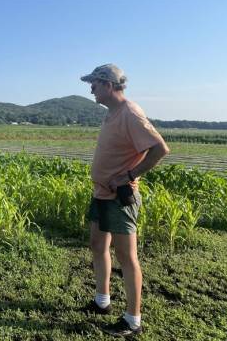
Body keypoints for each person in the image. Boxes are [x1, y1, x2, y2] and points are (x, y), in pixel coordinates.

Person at [80, 64, 170, 337]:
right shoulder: (112, 113)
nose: (91, 89)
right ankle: (102, 301)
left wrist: (129, 175)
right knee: (98, 245)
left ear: (108, 84)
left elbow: (159, 149)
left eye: (94, 84)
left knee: (127, 257)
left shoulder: (129, 113)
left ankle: (133, 320)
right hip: (101, 193)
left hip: (119, 198)